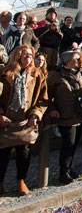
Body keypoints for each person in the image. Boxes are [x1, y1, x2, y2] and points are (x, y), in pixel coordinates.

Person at [47, 49, 82, 184]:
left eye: (79, 59)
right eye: (75, 59)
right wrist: (52, 109)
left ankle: (69, 168)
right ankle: (63, 172)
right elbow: (46, 96)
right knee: (68, 144)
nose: (78, 61)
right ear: (67, 61)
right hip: (66, 115)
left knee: (75, 144)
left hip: (81, 114)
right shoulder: (56, 75)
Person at [0, 45, 48, 195]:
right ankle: (0, 182)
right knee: (2, 154)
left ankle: (21, 181)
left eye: (30, 55)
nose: (28, 58)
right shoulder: (4, 73)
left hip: (25, 120)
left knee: (24, 153)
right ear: (18, 55)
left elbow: (42, 98)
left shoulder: (37, 74)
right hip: (6, 120)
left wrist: (35, 115)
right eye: (25, 55)